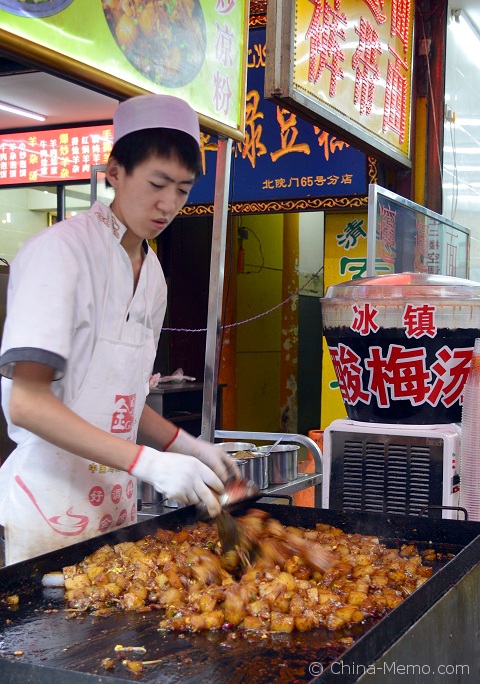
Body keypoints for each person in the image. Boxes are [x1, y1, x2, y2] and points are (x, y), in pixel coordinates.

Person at [0, 94, 239, 565]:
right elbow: (26, 402)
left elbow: (120, 398)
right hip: (48, 508)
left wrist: (186, 447)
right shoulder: (60, 254)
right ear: (114, 172)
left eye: (183, 190)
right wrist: (147, 462)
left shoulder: (152, 276)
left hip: (115, 509)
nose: (168, 204)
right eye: (157, 183)